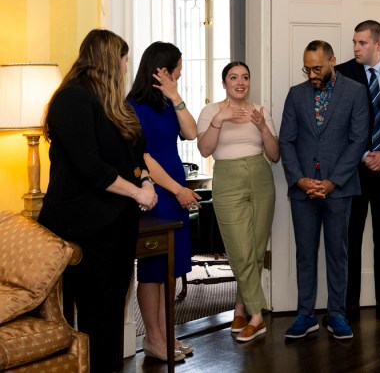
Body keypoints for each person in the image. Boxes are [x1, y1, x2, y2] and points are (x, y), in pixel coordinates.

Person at [38, 29, 158, 372]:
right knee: (97, 314)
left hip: (117, 223)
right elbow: (91, 167)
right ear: (108, 60)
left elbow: (136, 152)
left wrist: (146, 180)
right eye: (123, 59)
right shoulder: (72, 100)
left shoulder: (115, 105)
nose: (125, 67)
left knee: (110, 311)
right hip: (83, 225)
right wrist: (138, 192)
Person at [280, 41, 370, 340]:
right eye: (307, 68)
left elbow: (358, 141)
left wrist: (332, 181)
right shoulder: (296, 94)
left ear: (332, 60)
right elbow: (287, 142)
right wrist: (300, 179)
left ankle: (337, 314)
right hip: (302, 190)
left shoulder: (355, 92)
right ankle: (305, 314)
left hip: (339, 189)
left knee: (337, 253)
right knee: (305, 254)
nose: (312, 74)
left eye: (317, 68)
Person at [128, 41, 201, 362]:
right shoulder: (132, 106)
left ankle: (168, 335)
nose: (180, 74)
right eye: (178, 71)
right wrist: (177, 190)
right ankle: (154, 340)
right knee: (152, 270)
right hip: (157, 193)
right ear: (162, 70)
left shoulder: (168, 102)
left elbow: (192, 132)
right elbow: (143, 157)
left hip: (175, 190)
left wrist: (176, 96)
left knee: (171, 269)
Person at [197, 61, 280, 343]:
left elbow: (275, 155)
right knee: (239, 251)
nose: (240, 82)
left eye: (245, 76)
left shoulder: (260, 111)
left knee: (255, 251)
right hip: (228, 177)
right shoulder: (210, 111)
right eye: (233, 77)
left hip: (260, 176)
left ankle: (240, 308)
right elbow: (205, 149)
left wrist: (263, 128)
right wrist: (220, 119)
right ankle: (258, 316)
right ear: (225, 83)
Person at [336, 21, 380, 322]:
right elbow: (339, 125)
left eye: (362, 43)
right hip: (354, 171)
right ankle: (348, 304)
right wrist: (364, 154)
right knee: (348, 238)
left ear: (378, 44)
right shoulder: (342, 75)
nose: (355, 48)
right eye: (354, 42)